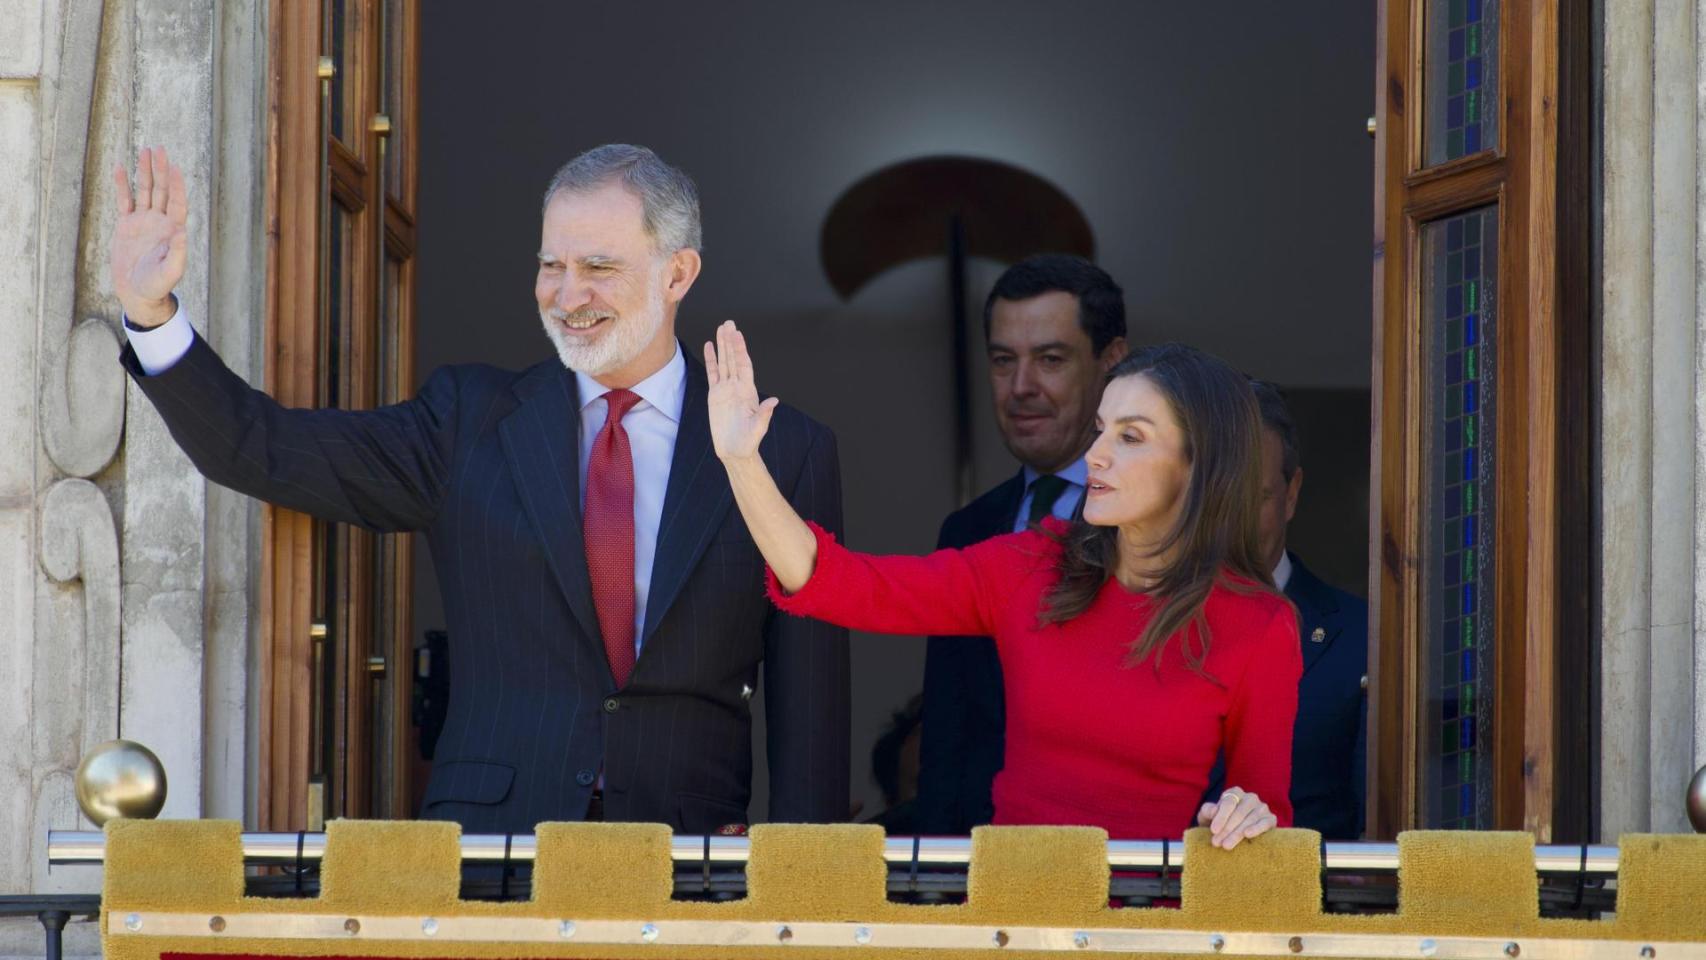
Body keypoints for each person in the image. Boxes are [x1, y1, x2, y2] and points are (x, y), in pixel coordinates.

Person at [107, 144, 851, 833]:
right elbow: (265, 450)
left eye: (598, 266)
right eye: (550, 265)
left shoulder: (784, 450)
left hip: (689, 859)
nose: (568, 294)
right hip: (494, 858)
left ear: (678, 273)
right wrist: (152, 318)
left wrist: (800, 887)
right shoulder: (468, 421)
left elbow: (810, 707)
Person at [707, 323, 1299, 846]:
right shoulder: (1031, 566)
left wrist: (1246, 816)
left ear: (1199, 466)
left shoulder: (1259, 624)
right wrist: (742, 463)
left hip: (1149, 925)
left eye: (1131, 436)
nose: (1094, 454)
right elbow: (845, 584)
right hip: (1015, 915)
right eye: (1100, 429)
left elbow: (1265, 813)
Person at [919, 254, 1128, 836]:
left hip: (1118, 875)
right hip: (979, 871)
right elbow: (947, 735)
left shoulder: (1161, 526)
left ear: (1111, 363)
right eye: (1003, 361)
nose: (1020, 388)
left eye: (1051, 360)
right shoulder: (966, 531)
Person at [1248, 380, 1368, 839]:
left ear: (1290, 493)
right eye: (1214, 497)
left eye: (1252, 497)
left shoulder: (1363, 639)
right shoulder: (1134, 627)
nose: (1230, 520)